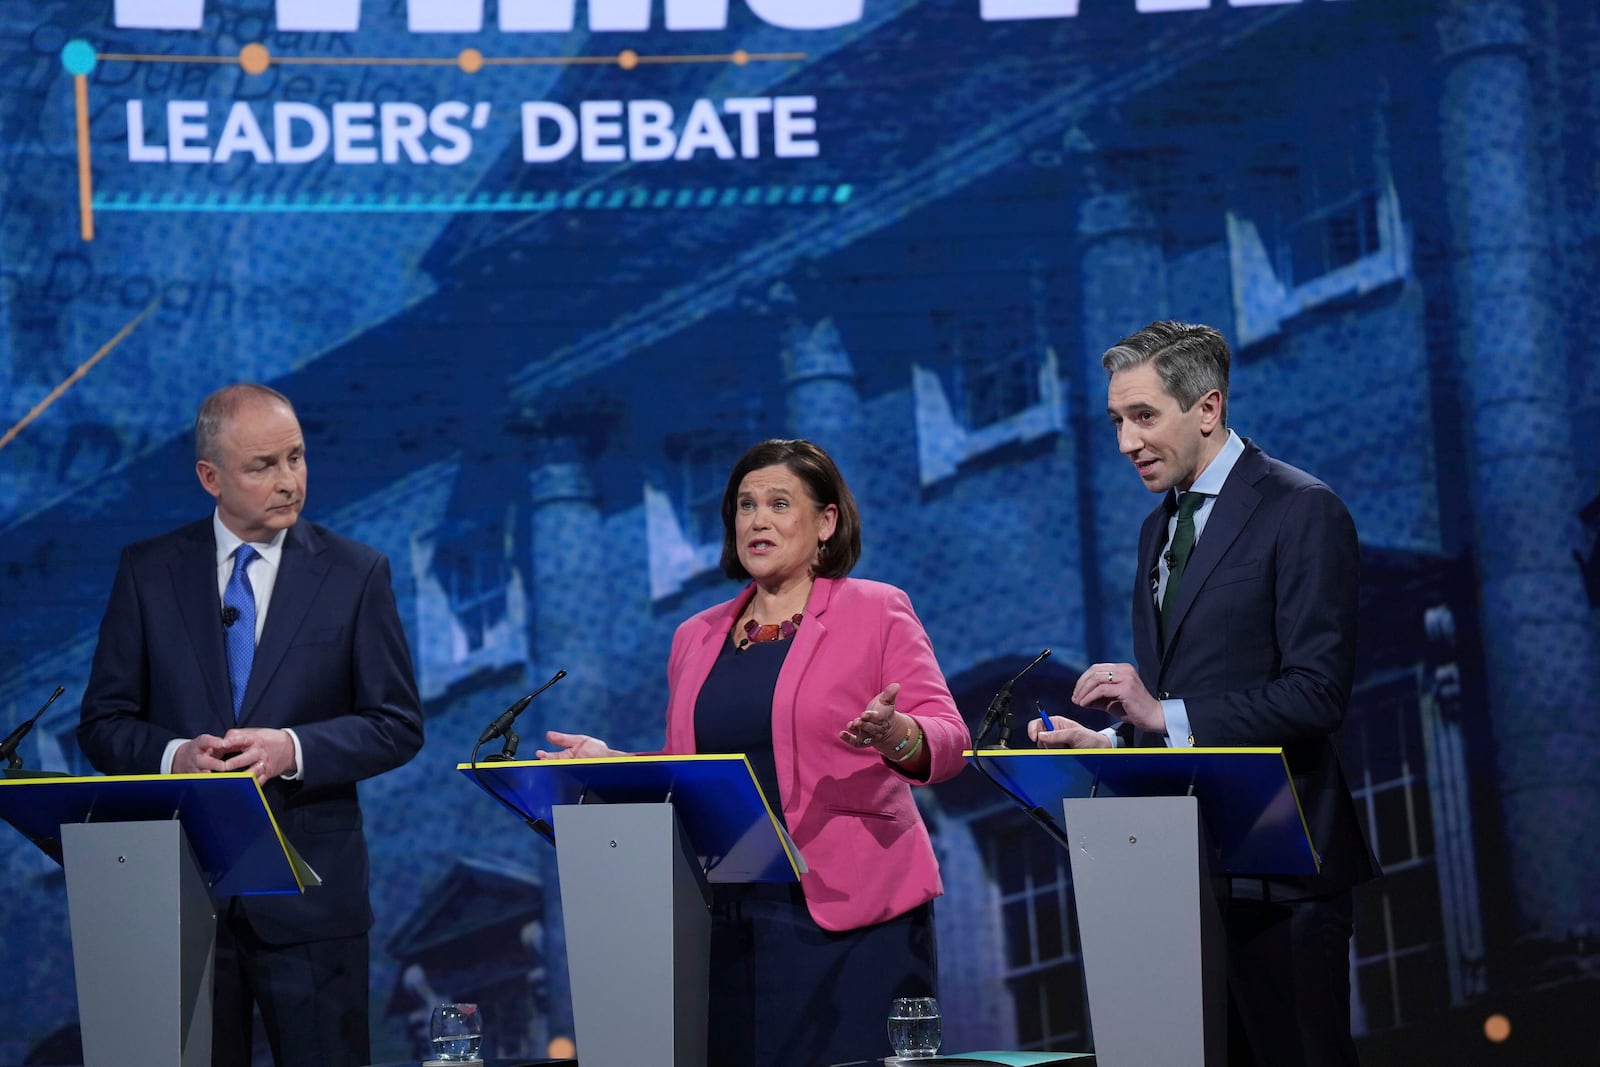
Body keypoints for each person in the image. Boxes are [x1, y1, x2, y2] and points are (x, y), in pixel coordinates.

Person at [539, 438, 971, 1067]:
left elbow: (950, 739)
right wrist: (610, 764)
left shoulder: (876, 610)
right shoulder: (697, 635)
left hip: (852, 913)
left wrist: (895, 733)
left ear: (826, 522)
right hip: (730, 918)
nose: (757, 520)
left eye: (778, 504)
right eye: (745, 505)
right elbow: (691, 772)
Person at [1030, 321, 1378, 1066]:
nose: (1127, 442)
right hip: (1181, 873)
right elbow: (1182, 702)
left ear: (1209, 407)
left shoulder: (1301, 508)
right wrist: (1111, 741)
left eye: (1144, 417)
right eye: (1117, 421)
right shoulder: (1157, 531)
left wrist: (1160, 713)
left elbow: (1316, 694)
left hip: (1282, 872)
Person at [78, 383, 425, 1067]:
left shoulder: (356, 574)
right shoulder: (148, 573)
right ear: (210, 477)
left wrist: (290, 747)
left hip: (311, 907)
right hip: (181, 901)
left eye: (296, 458)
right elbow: (103, 722)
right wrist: (176, 754)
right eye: (262, 465)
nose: (288, 481)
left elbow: (396, 723)